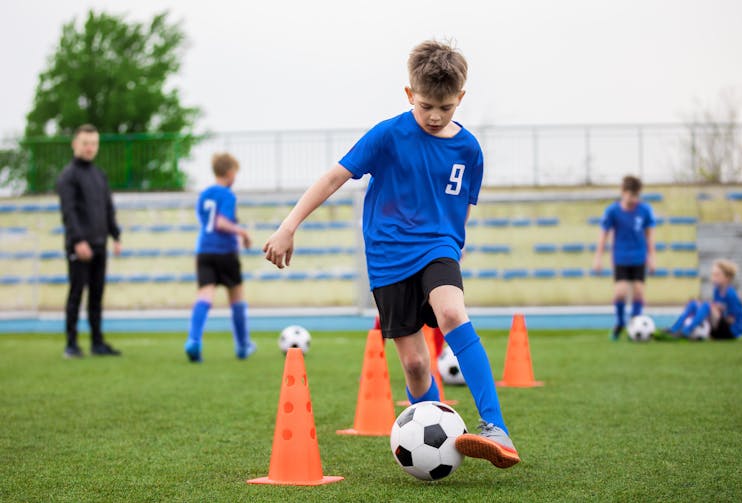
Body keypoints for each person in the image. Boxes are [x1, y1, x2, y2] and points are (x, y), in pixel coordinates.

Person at [264, 40, 520, 469]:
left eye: (445, 107)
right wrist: (289, 226)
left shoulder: (470, 150)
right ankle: (443, 433)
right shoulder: (387, 135)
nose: (436, 116)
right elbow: (333, 178)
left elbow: (464, 205)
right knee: (417, 365)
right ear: (409, 96)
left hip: (438, 247)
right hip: (387, 258)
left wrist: (451, 247)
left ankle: (495, 427)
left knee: (453, 314)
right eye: (425, 107)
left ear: (460, 97)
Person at [56, 124, 122, 358]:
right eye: (85, 143)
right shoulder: (68, 176)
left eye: (94, 144)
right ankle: (71, 344)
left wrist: (116, 235)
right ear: (75, 144)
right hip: (80, 246)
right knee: (76, 293)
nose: (90, 148)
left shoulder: (99, 175)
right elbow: (69, 211)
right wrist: (77, 240)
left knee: (97, 294)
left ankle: (97, 342)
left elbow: (107, 208)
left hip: (99, 244)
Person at [184, 153, 256, 363]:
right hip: (224, 251)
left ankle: (193, 340)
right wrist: (243, 233)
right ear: (230, 172)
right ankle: (243, 346)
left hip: (204, 250)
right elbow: (221, 223)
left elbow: (205, 221)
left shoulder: (204, 194)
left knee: (204, 296)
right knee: (237, 297)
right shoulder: (227, 195)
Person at [593, 175, 656, 340]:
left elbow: (649, 236)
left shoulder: (644, 210)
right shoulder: (612, 211)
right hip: (620, 257)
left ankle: (634, 326)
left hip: (639, 257)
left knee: (639, 293)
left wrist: (652, 258)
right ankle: (620, 323)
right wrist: (598, 258)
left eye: (636, 195)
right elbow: (603, 235)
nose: (633, 199)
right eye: (630, 195)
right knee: (620, 293)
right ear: (623, 192)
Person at [666, 259, 742, 339]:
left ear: (727, 278)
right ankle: (674, 329)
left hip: (731, 331)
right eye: (713, 274)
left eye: (717, 275)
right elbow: (716, 307)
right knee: (693, 304)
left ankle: (686, 331)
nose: (713, 277)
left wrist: (716, 310)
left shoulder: (731, 295)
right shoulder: (717, 290)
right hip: (719, 326)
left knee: (707, 306)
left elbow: (731, 320)